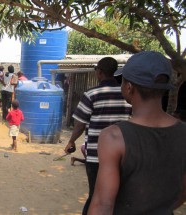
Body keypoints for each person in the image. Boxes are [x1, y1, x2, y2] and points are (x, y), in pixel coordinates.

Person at [88, 51, 186, 214]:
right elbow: (183, 190)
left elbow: (103, 204)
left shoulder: (114, 137)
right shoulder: (183, 132)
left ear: (128, 87)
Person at [64, 57, 132, 215]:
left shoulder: (91, 94)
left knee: (96, 195)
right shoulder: (128, 95)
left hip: (97, 155)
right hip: (123, 155)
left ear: (99, 72)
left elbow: (80, 124)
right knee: (118, 195)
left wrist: (71, 141)